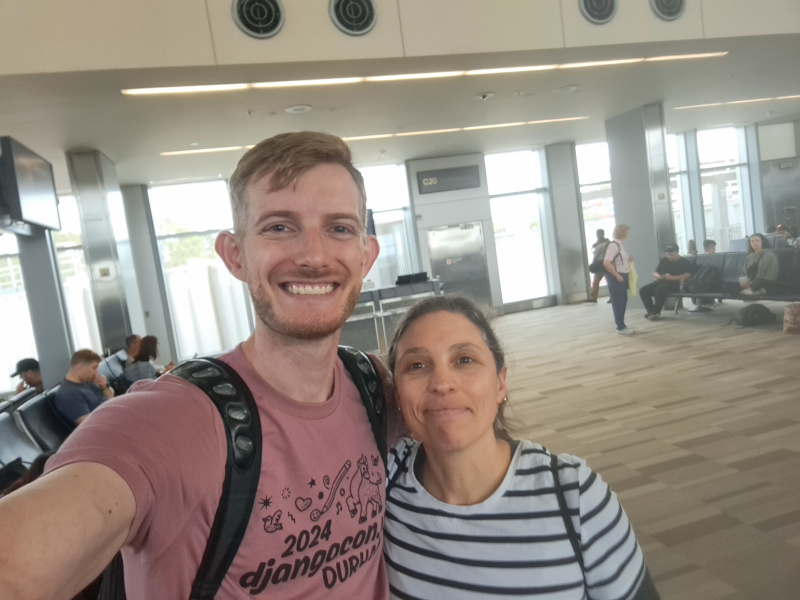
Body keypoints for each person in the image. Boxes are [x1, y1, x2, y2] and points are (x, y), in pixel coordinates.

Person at [0, 132, 386, 600]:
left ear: (366, 257)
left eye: (339, 228)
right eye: (279, 227)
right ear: (235, 255)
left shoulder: (377, 389)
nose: (313, 256)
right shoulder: (171, 419)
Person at [384, 295, 658, 599]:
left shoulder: (574, 496)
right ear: (397, 395)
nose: (442, 383)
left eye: (464, 360)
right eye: (417, 365)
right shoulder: (380, 485)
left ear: (500, 383)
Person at [52, 349, 115, 427]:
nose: (96, 372)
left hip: (113, 416)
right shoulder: (69, 394)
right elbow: (90, 425)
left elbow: (110, 397)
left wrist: (104, 387)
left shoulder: (87, 382)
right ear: (80, 367)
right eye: (94, 368)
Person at [640, 245, 693, 320]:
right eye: (668, 255)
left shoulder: (684, 262)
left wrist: (671, 278)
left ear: (677, 252)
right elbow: (655, 272)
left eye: (672, 255)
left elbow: (687, 275)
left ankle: (656, 311)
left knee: (660, 289)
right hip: (661, 281)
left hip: (675, 283)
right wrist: (658, 276)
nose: (670, 257)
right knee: (643, 291)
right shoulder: (664, 260)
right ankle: (651, 311)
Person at [603, 224, 634, 335]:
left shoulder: (620, 245)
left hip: (621, 275)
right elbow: (607, 262)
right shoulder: (614, 246)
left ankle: (621, 325)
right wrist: (616, 275)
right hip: (616, 277)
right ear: (624, 233)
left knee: (622, 300)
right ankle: (620, 326)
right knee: (618, 301)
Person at [585, 228, 610, 303]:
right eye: (597, 234)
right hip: (600, 264)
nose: (598, 235)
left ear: (602, 234)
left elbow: (597, 254)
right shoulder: (597, 243)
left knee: (608, 280)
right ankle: (594, 297)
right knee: (596, 281)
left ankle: (595, 297)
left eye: (599, 234)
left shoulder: (607, 243)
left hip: (604, 263)